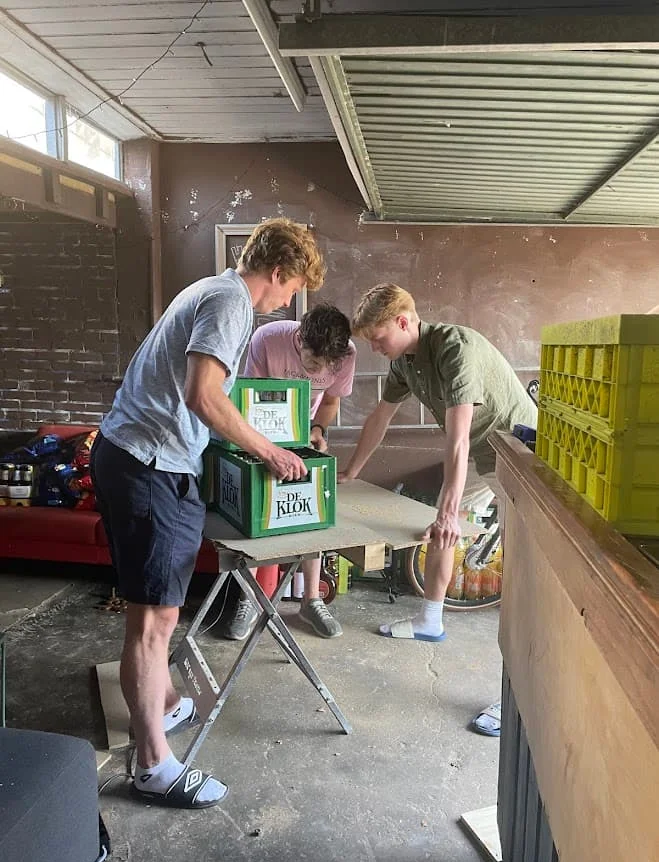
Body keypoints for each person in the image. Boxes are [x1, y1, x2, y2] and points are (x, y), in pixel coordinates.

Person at [90, 218, 325, 809]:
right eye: (293, 286)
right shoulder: (230, 303)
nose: (290, 300)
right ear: (277, 272)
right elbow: (204, 395)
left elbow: (199, 397)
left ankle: (163, 706)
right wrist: (268, 450)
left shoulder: (210, 290)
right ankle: (152, 766)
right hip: (150, 465)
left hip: (139, 456)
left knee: (156, 614)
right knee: (151, 623)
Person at [339, 283, 537, 734]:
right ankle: (429, 619)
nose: (374, 347)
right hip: (478, 455)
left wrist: (450, 512)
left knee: (527, 583)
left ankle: (519, 700)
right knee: (436, 527)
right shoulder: (405, 361)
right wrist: (351, 472)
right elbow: (380, 417)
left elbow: (458, 438)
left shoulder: (454, 347)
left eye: (378, 336)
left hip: (517, 458)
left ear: (405, 322)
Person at [219, 303, 356, 641]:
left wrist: (318, 431)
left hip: (303, 433)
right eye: (312, 362)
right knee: (260, 515)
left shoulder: (347, 355)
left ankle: (311, 600)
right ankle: (250, 597)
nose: (319, 371)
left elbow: (330, 402)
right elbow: (250, 398)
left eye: (327, 367)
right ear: (299, 340)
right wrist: (267, 449)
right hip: (263, 432)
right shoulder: (268, 339)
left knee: (311, 513)